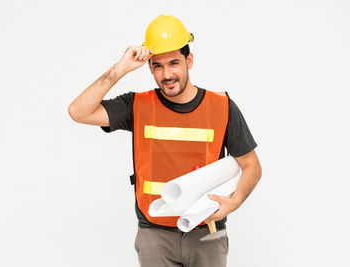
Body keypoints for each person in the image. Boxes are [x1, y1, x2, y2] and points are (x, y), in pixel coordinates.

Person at [68, 15, 262, 267]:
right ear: (149, 67)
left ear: (189, 61)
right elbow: (78, 112)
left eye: (174, 63)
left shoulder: (222, 106)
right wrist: (120, 69)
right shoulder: (136, 105)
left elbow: (252, 165)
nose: (167, 74)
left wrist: (234, 202)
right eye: (157, 65)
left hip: (207, 232)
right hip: (155, 236)